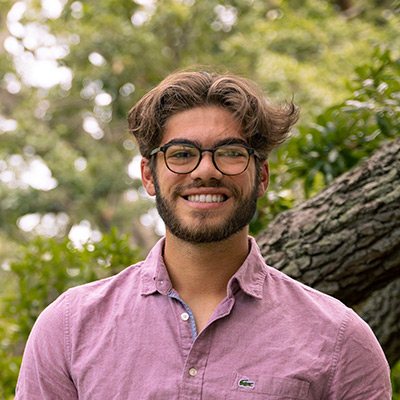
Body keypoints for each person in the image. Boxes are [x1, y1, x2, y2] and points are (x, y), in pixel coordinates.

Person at [16, 70, 391, 399]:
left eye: (230, 152)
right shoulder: (68, 328)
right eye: (181, 153)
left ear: (261, 176)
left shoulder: (340, 340)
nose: (205, 171)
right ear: (149, 175)